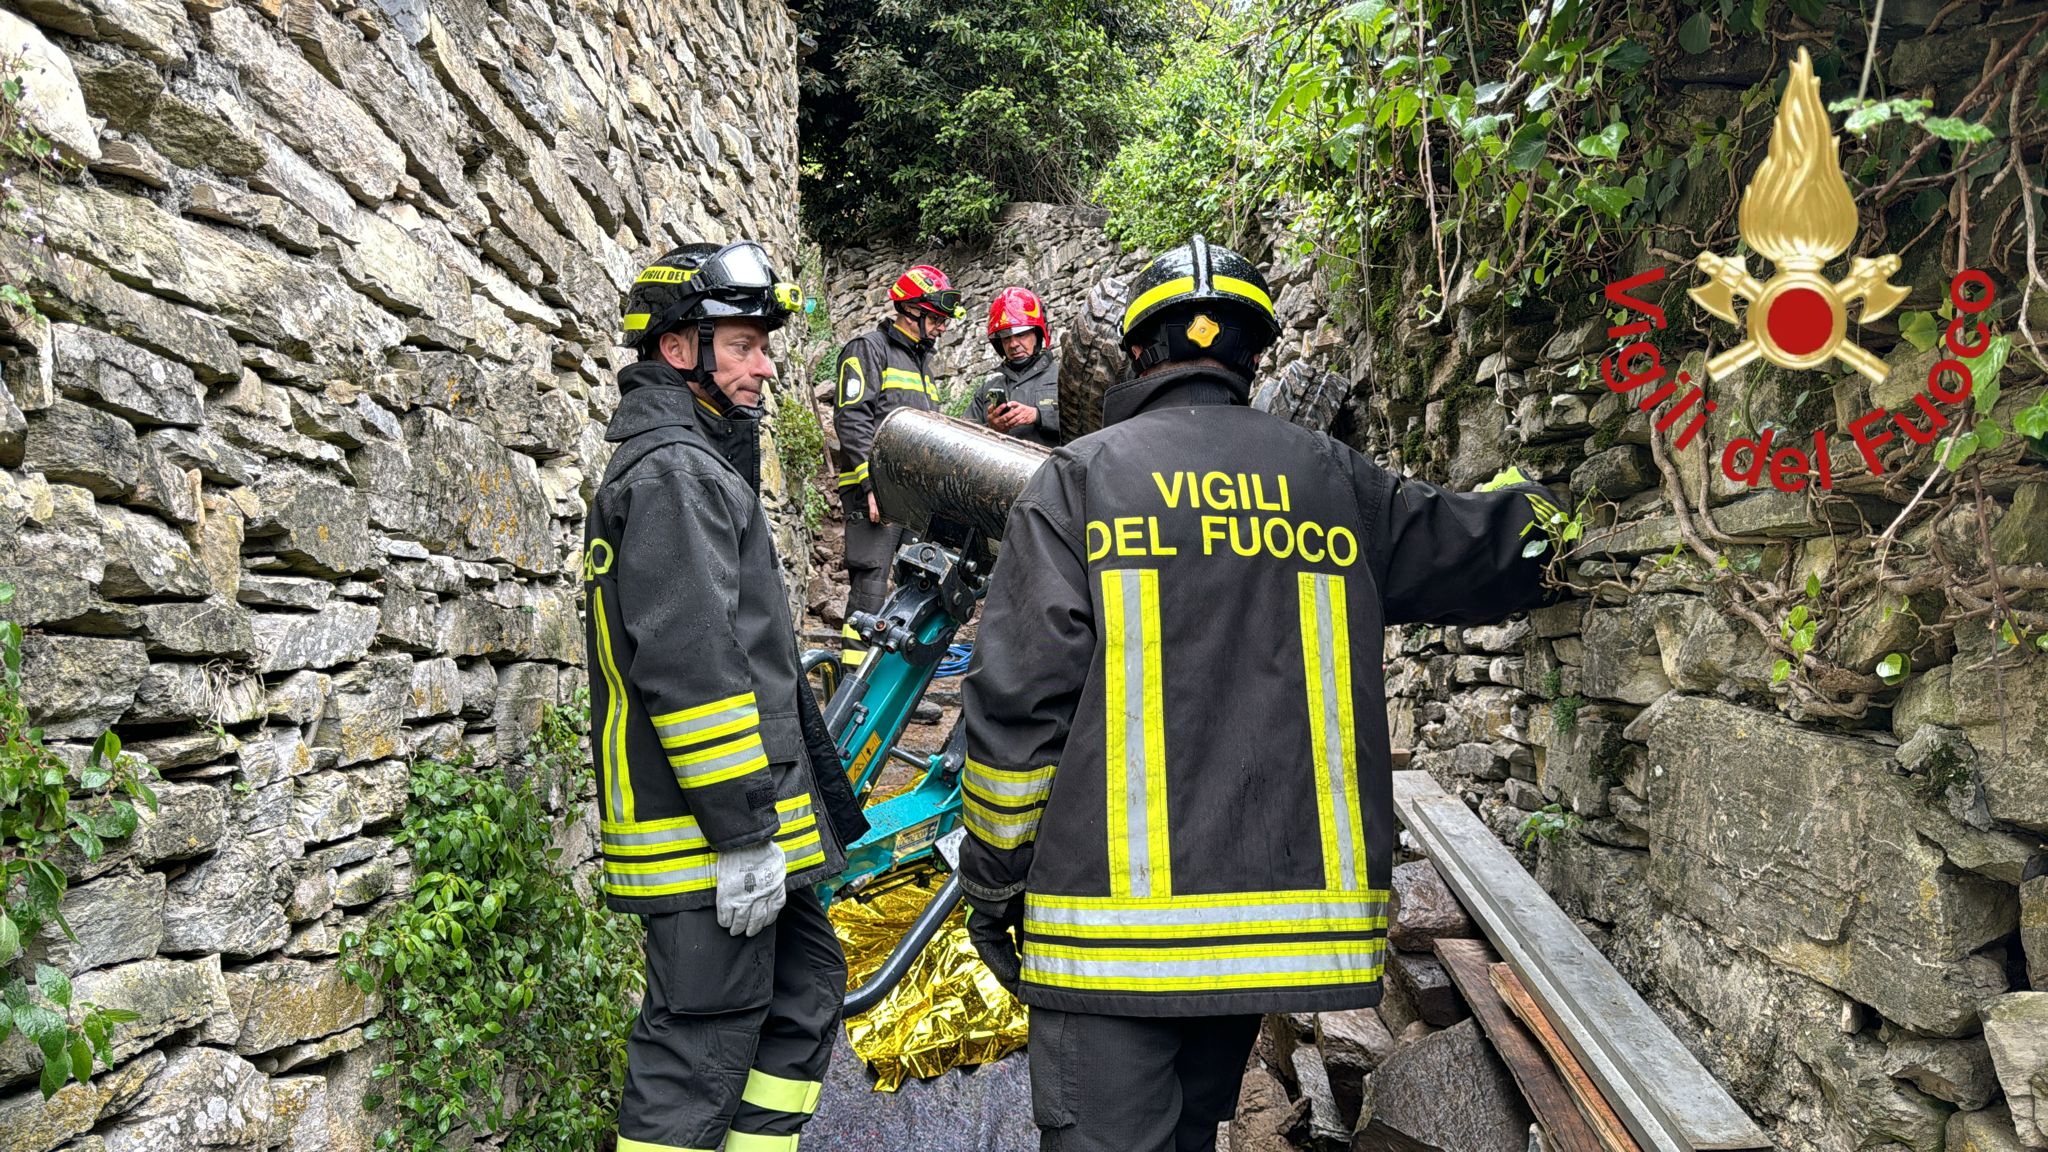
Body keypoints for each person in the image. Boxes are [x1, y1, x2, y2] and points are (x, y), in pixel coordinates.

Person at [954, 236, 1554, 1152]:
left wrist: (993, 887)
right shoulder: (1336, 481)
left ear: (1139, 354)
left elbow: (1017, 715)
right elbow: (1482, 543)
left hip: (1107, 944)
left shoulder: (1076, 484)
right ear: (1254, 356)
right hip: (1261, 943)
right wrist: (1577, 507)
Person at [587, 241, 856, 1152]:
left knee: (804, 985)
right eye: (742, 344)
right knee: (698, 1048)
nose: (765, 365)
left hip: (744, 830)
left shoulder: (699, 462)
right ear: (678, 350)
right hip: (706, 842)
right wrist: (744, 838)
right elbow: (696, 675)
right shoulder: (674, 471)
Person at [830, 264, 963, 670]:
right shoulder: (868, 349)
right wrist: (872, 486)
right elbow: (852, 420)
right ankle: (853, 687)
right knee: (871, 584)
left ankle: (891, 686)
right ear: (912, 311)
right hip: (876, 495)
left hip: (913, 499)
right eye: (937, 318)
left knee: (912, 586)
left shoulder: (922, 363)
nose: (942, 327)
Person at [967, 286, 1062, 448]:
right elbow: (962, 438)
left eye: (1021, 334)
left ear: (1038, 334)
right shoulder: (985, 391)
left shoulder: (1064, 378)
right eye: (1005, 338)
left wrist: (1038, 416)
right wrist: (990, 429)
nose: (1013, 344)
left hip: (1053, 471)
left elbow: (1092, 426)